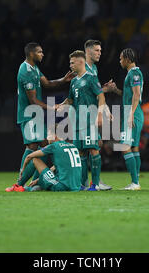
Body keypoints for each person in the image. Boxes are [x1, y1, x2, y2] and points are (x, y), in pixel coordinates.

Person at [6, 42, 74, 192]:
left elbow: (48, 84)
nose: (42, 54)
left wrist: (63, 80)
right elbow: (33, 101)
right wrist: (52, 107)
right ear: (31, 54)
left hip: (35, 115)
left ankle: (38, 182)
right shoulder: (26, 72)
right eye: (40, 52)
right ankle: (19, 184)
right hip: (29, 114)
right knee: (32, 147)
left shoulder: (34, 68)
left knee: (44, 146)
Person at [58, 50, 112, 191]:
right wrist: (61, 105)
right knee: (80, 153)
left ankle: (95, 184)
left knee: (93, 150)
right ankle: (82, 184)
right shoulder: (74, 81)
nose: (70, 65)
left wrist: (100, 114)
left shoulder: (91, 78)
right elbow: (70, 99)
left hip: (89, 122)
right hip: (77, 123)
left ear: (80, 62)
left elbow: (101, 97)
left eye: (72, 62)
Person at [82, 39, 114, 190]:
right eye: (97, 50)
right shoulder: (83, 68)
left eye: (100, 51)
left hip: (91, 113)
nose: (100, 53)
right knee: (90, 148)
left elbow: (96, 92)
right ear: (88, 51)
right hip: (85, 115)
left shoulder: (93, 69)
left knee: (94, 146)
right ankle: (93, 183)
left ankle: (91, 181)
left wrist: (105, 108)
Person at [18, 127, 82, 192]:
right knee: (47, 177)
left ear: (54, 136)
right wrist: (37, 180)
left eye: (48, 135)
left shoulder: (54, 146)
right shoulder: (73, 146)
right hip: (76, 187)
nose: (47, 138)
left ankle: (22, 187)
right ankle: (39, 185)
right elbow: (56, 167)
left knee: (35, 159)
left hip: (61, 186)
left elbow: (29, 157)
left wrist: (22, 170)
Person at [118, 48, 144, 190]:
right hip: (133, 112)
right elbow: (130, 94)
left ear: (128, 59)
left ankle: (135, 182)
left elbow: (136, 94)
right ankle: (136, 181)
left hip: (133, 112)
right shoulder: (132, 74)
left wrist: (131, 114)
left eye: (121, 58)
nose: (120, 61)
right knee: (133, 147)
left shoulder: (134, 73)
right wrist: (116, 90)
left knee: (125, 146)